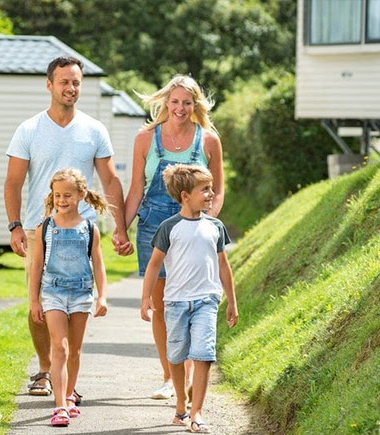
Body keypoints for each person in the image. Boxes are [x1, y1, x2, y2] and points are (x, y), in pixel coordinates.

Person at [4, 56, 133, 399]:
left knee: (77, 303)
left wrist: (119, 228)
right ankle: (46, 370)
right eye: (64, 82)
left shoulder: (94, 130)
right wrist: (15, 226)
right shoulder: (29, 130)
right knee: (40, 303)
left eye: (76, 82)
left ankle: (68, 380)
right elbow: (13, 182)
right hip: (38, 230)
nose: (70, 88)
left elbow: (110, 180)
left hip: (82, 232)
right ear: (49, 85)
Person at [124, 75, 225, 399]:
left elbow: (218, 190)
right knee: (163, 303)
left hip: (194, 228)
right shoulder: (145, 138)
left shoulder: (208, 141)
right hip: (154, 224)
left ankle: (190, 374)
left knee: (191, 298)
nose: (180, 108)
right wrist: (121, 228)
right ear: (165, 102)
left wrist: (207, 222)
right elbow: (137, 188)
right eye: (175, 101)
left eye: (186, 102)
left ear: (195, 105)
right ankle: (170, 377)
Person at [140, 164, 238, 433]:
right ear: (185, 195)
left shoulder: (215, 227)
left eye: (211, 188)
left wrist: (232, 301)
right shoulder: (169, 228)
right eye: (205, 189)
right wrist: (146, 297)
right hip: (175, 302)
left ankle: (197, 412)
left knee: (204, 354)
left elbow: (223, 265)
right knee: (177, 354)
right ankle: (181, 405)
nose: (211, 193)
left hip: (207, 300)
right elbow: (153, 265)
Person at [29, 168, 109, 427]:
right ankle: (60, 405)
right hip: (53, 292)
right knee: (60, 347)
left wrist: (102, 297)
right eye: (57, 195)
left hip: (81, 293)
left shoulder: (89, 229)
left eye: (67, 195)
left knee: (74, 350)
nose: (62, 200)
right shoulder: (45, 228)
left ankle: (70, 395)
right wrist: (34, 300)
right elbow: (36, 266)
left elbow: (98, 265)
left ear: (81, 195)